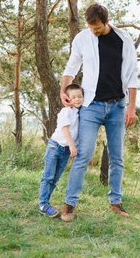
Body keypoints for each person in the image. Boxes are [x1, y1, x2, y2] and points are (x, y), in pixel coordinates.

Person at [60, 3, 139, 222]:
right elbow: (71, 67)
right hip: (91, 106)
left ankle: (116, 202)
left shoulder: (124, 39)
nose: (93, 31)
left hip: (117, 107)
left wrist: (131, 106)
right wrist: (62, 91)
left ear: (106, 22)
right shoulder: (82, 38)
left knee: (117, 158)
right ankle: (69, 204)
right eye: (90, 27)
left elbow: (133, 73)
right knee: (83, 154)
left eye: (97, 28)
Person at [38, 83, 84, 217]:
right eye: (74, 97)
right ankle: (43, 204)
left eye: (79, 96)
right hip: (55, 146)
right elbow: (64, 128)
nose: (77, 99)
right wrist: (72, 145)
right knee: (48, 176)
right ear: (68, 99)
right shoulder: (67, 111)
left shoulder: (81, 113)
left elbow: (79, 134)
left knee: (55, 178)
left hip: (66, 151)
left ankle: (45, 203)